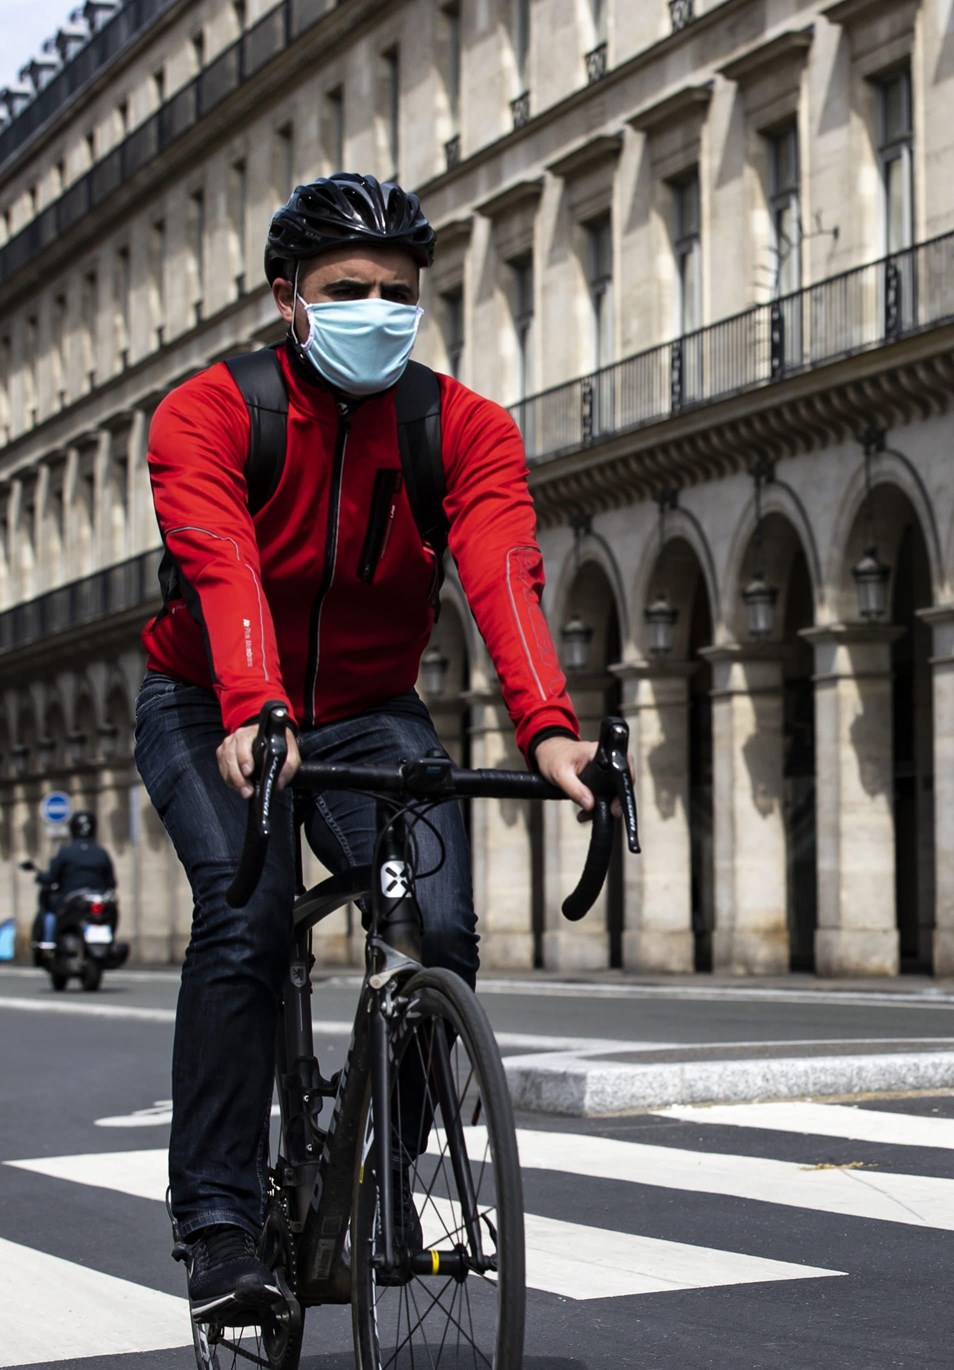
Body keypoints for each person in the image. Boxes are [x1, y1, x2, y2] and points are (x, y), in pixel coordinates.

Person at [133, 172, 600, 1321]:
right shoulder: (206, 413)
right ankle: (222, 1222)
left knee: (433, 921)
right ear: (288, 295)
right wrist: (251, 702)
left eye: (399, 292)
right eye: (349, 289)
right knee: (244, 914)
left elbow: (501, 570)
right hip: (205, 697)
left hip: (368, 705)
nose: (378, 310)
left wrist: (548, 727)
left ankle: (384, 1151)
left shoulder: (464, 430)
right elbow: (219, 563)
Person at [30, 810, 116, 949]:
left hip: (71, 898)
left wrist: (40, 876)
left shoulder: (66, 852)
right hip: (98, 898)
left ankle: (48, 944)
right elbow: (111, 882)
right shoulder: (101, 853)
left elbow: (52, 877)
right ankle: (111, 941)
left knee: (50, 913)